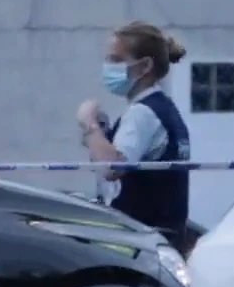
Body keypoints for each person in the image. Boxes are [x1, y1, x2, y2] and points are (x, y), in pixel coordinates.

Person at [75, 21, 192, 248]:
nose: (108, 67)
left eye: (116, 60)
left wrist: (90, 125)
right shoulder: (162, 109)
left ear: (144, 66)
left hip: (139, 243)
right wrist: (104, 136)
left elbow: (112, 167)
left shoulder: (143, 113)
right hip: (163, 239)